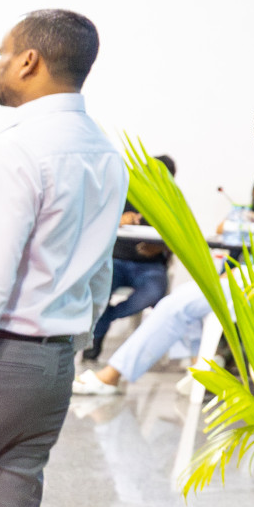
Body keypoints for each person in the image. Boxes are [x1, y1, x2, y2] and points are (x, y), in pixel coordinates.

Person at [0, 9, 127, 507]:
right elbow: (99, 273)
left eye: (2, 52)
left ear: (29, 61)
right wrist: (73, 347)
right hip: (49, 366)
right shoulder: (104, 150)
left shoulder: (19, 147)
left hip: (3, 354)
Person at [72, 177, 254, 396]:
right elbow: (223, 227)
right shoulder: (245, 212)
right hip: (123, 262)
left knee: (175, 304)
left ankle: (112, 375)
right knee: (185, 306)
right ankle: (200, 369)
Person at [83, 153, 177, 360]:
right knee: (99, 288)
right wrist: (119, 220)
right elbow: (94, 223)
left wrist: (159, 249)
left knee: (153, 292)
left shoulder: (173, 204)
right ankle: (95, 342)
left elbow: (180, 240)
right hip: (116, 260)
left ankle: (106, 319)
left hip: (150, 266)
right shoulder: (124, 194)